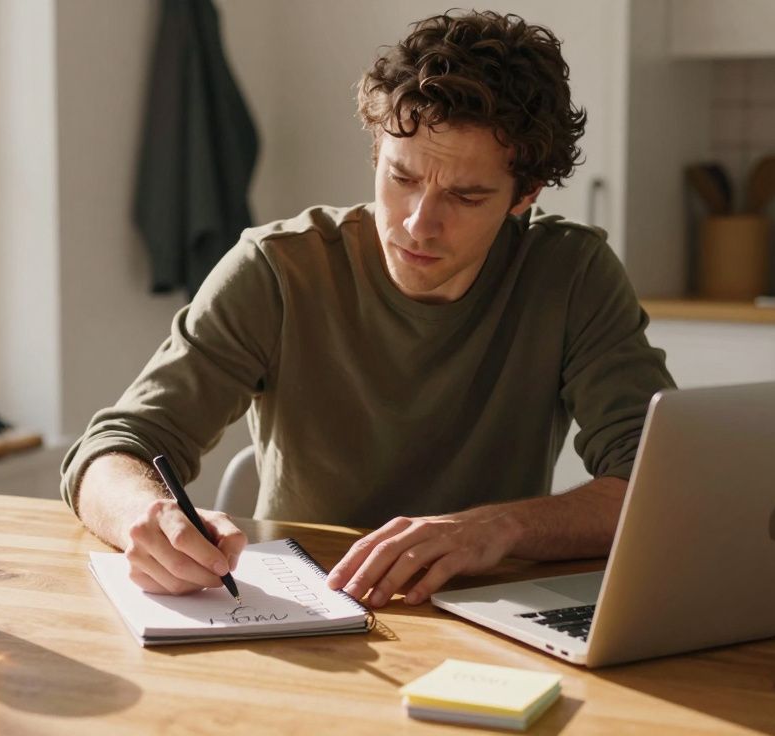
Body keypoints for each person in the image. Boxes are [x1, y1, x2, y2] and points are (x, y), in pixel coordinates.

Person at [60, 10, 675, 609]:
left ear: (525, 196)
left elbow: (658, 483)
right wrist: (148, 513)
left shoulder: (571, 273)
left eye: (465, 195)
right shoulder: (277, 270)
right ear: (376, 149)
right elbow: (113, 447)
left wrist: (498, 527)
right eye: (401, 177)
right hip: (305, 611)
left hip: (493, 616)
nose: (418, 225)